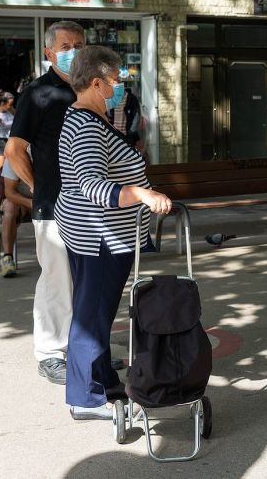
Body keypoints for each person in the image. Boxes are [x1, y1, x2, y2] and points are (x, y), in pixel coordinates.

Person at [55, 46, 171, 420]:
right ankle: (84, 397)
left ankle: (102, 379)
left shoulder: (91, 118)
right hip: (100, 236)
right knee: (92, 316)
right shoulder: (86, 125)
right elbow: (91, 184)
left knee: (97, 313)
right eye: (116, 80)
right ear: (96, 82)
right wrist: (141, 193)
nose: (119, 87)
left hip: (100, 235)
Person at [5, 20, 85, 386]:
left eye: (80, 44)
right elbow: (15, 150)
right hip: (53, 205)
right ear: (49, 52)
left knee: (85, 281)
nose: (74, 51)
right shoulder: (36, 93)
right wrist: (38, 186)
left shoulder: (89, 89)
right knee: (57, 280)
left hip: (89, 203)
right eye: (66, 46)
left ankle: (84, 348)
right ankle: (51, 353)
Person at [0, 157, 32, 278]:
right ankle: (7, 258)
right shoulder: (14, 156)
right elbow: (10, 192)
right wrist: (31, 203)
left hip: (43, 197)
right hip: (20, 200)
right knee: (9, 207)